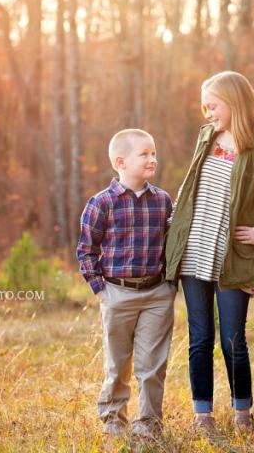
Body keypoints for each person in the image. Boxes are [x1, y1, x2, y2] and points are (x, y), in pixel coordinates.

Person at [165, 71, 254, 434]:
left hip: (233, 259)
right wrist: (171, 228)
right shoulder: (207, 136)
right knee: (200, 338)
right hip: (193, 252)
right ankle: (203, 417)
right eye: (205, 107)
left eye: (213, 105)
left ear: (234, 102)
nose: (208, 113)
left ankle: (243, 415)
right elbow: (189, 189)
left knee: (233, 340)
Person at [76, 128, 177, 440]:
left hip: (157, 293)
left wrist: (170, 284)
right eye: (144, 154)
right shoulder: (101, 203)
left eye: (154, 153)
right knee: (118, 363)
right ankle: (113, 418)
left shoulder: (162, 200)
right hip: (117, 292)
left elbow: (173, 245)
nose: (152, 159)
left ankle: (148, 424)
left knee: (152, 366)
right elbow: (86, 249)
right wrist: (100, 288)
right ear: (120, 162)